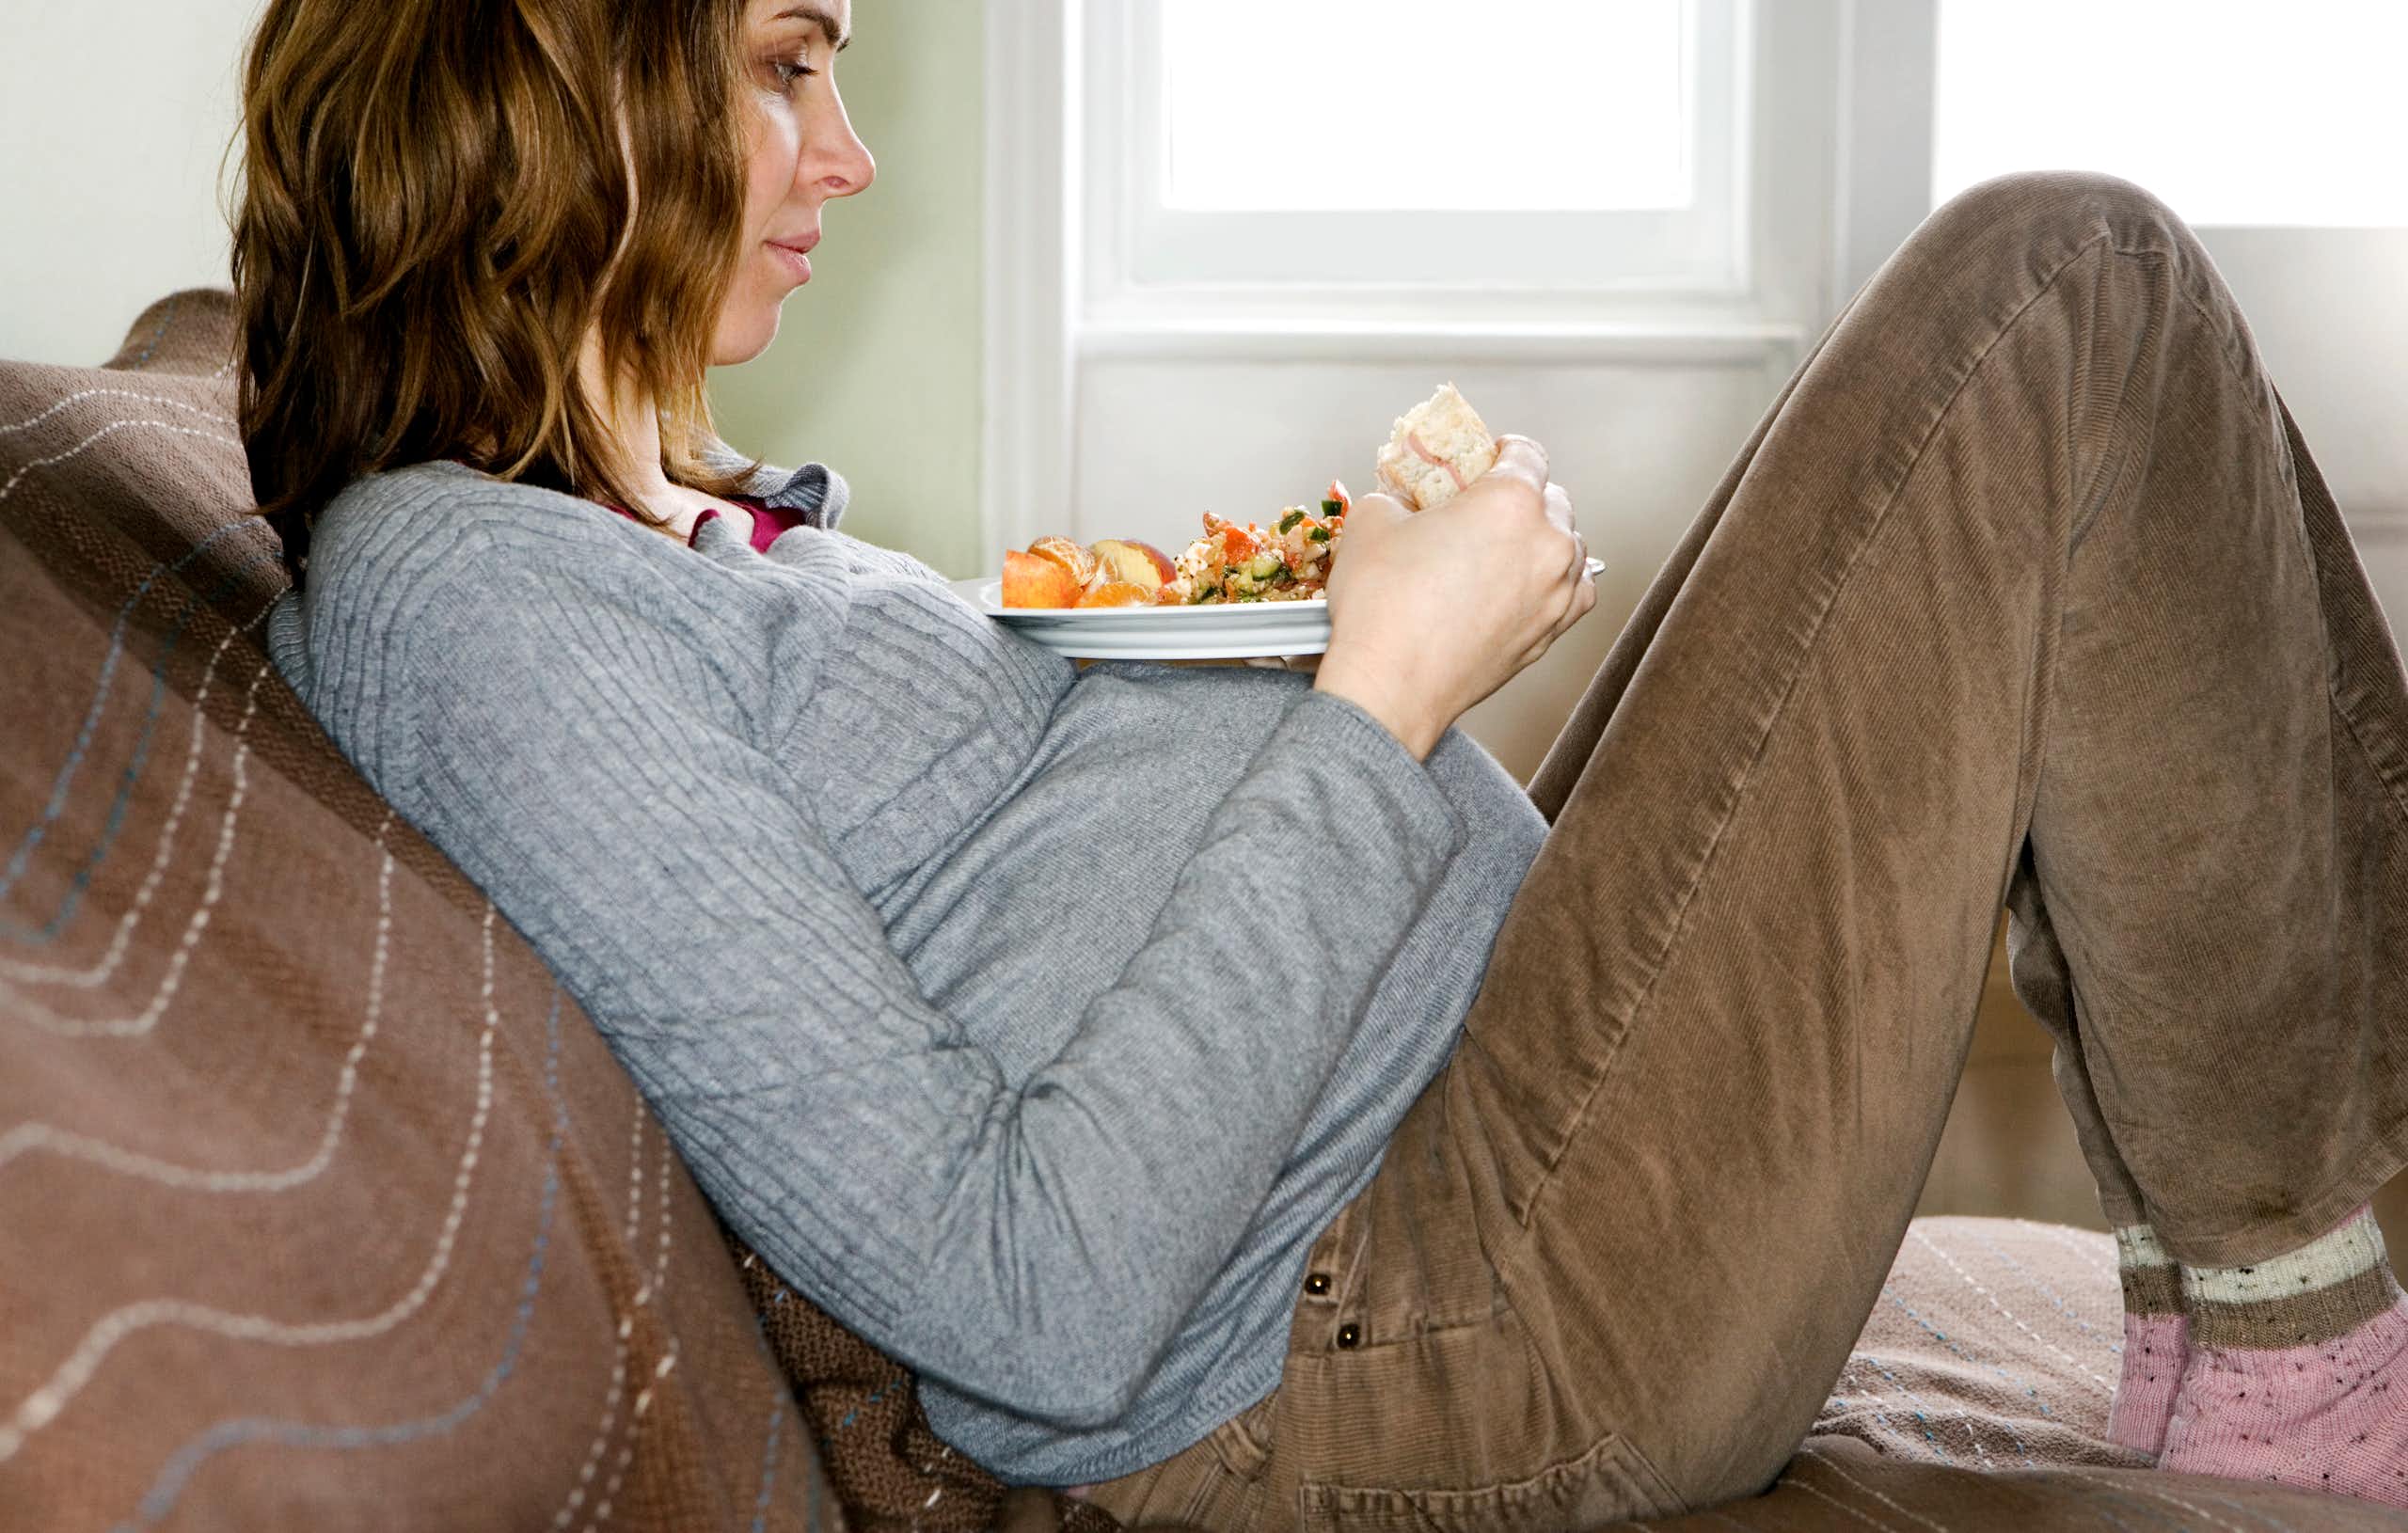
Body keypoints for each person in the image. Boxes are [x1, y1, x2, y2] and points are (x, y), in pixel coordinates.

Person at [236, 0, 2408, 1525]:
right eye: (785, 65)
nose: (850, 149)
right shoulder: (471, 599)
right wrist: (1373, 700)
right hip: (1418, 1312)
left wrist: (1392, 639)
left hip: (1460, 1130)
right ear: (549, 89)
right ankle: (2305, 1330)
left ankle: (2292, 1299)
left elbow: (1030, 897)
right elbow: (1032, 1300)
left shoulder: (650, 516)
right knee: (2057, 288)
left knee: (2034, 393)